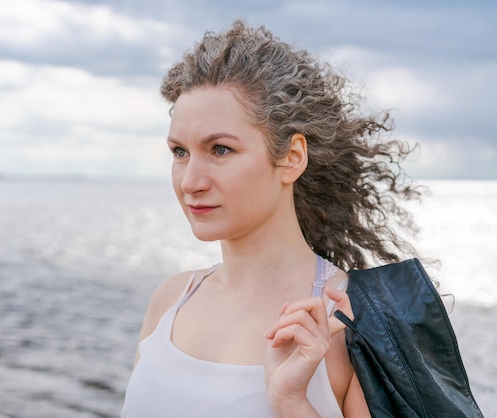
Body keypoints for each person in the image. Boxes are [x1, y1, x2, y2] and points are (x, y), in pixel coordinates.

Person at [122, 20, 423, 417]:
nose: (190, 181)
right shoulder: (171, 301)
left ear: (292, 157)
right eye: (180, 152)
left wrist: (291, 402)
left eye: (221, 150)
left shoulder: (351, 319)